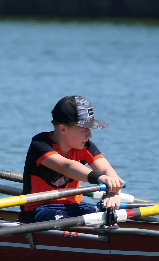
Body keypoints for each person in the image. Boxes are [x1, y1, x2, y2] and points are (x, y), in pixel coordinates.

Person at [19, 95, 125, 223]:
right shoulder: (40, 144)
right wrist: (100, 178)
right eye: (84, 130)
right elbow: (67, 166)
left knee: (106, 220)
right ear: (63, 129)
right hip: (39, 209)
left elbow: (107, 169)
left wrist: (113, 193)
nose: (90, 135)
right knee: (69, 223)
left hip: (74, 207)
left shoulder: (85, 146)